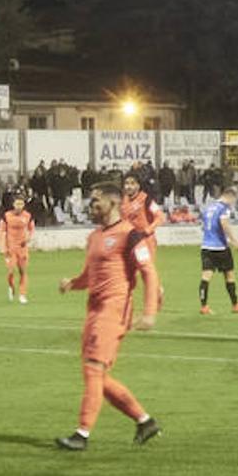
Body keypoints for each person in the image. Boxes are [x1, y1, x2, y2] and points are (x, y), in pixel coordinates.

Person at [56, 182, 162, 451]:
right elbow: (91, 276)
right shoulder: (94, 237)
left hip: (113, 310)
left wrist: (149, 313)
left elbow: (149, 272)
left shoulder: (131, 234)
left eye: (95, 201)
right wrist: (73, 283)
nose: (91, 206)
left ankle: (82, 434)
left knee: (93, 368)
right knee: (97, 377)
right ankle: (144, 421)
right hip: (94, 310)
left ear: (113, 203)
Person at [199, 187, 238, 315]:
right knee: (229, 275)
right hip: (220, 247)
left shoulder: (208, 207)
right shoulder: (223, 208)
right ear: (230, 196)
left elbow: (203, 226)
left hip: (206, 246)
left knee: (206, 276)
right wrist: (233, 240)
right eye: (233, 200)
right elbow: (224, 223)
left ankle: (204, 306)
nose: (233, 203)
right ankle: (235, 304)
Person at [121, 171, 167, 304]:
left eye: (132, 183)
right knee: (126, 272)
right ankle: (125, 302)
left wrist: (147, 231)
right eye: (126, 183)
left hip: (145, 241)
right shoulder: (123, 201)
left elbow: (160, 217)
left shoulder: (145, 199)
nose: (128, 186)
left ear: (138, 185)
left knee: (145, 272)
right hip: (130, 242)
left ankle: (157, 292)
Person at [0, 193, 34, 303]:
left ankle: (22, 294)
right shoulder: (6, 216)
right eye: (17, 203)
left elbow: (32, 229)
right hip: (10, 248)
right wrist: (3, 247)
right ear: (13, 204)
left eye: (21, 204)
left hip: (22, 248)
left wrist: (28, 238)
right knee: (10, 271)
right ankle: (11, 286)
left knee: (22, 271)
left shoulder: (28, 216)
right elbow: (1, 231)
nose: (19, 206)